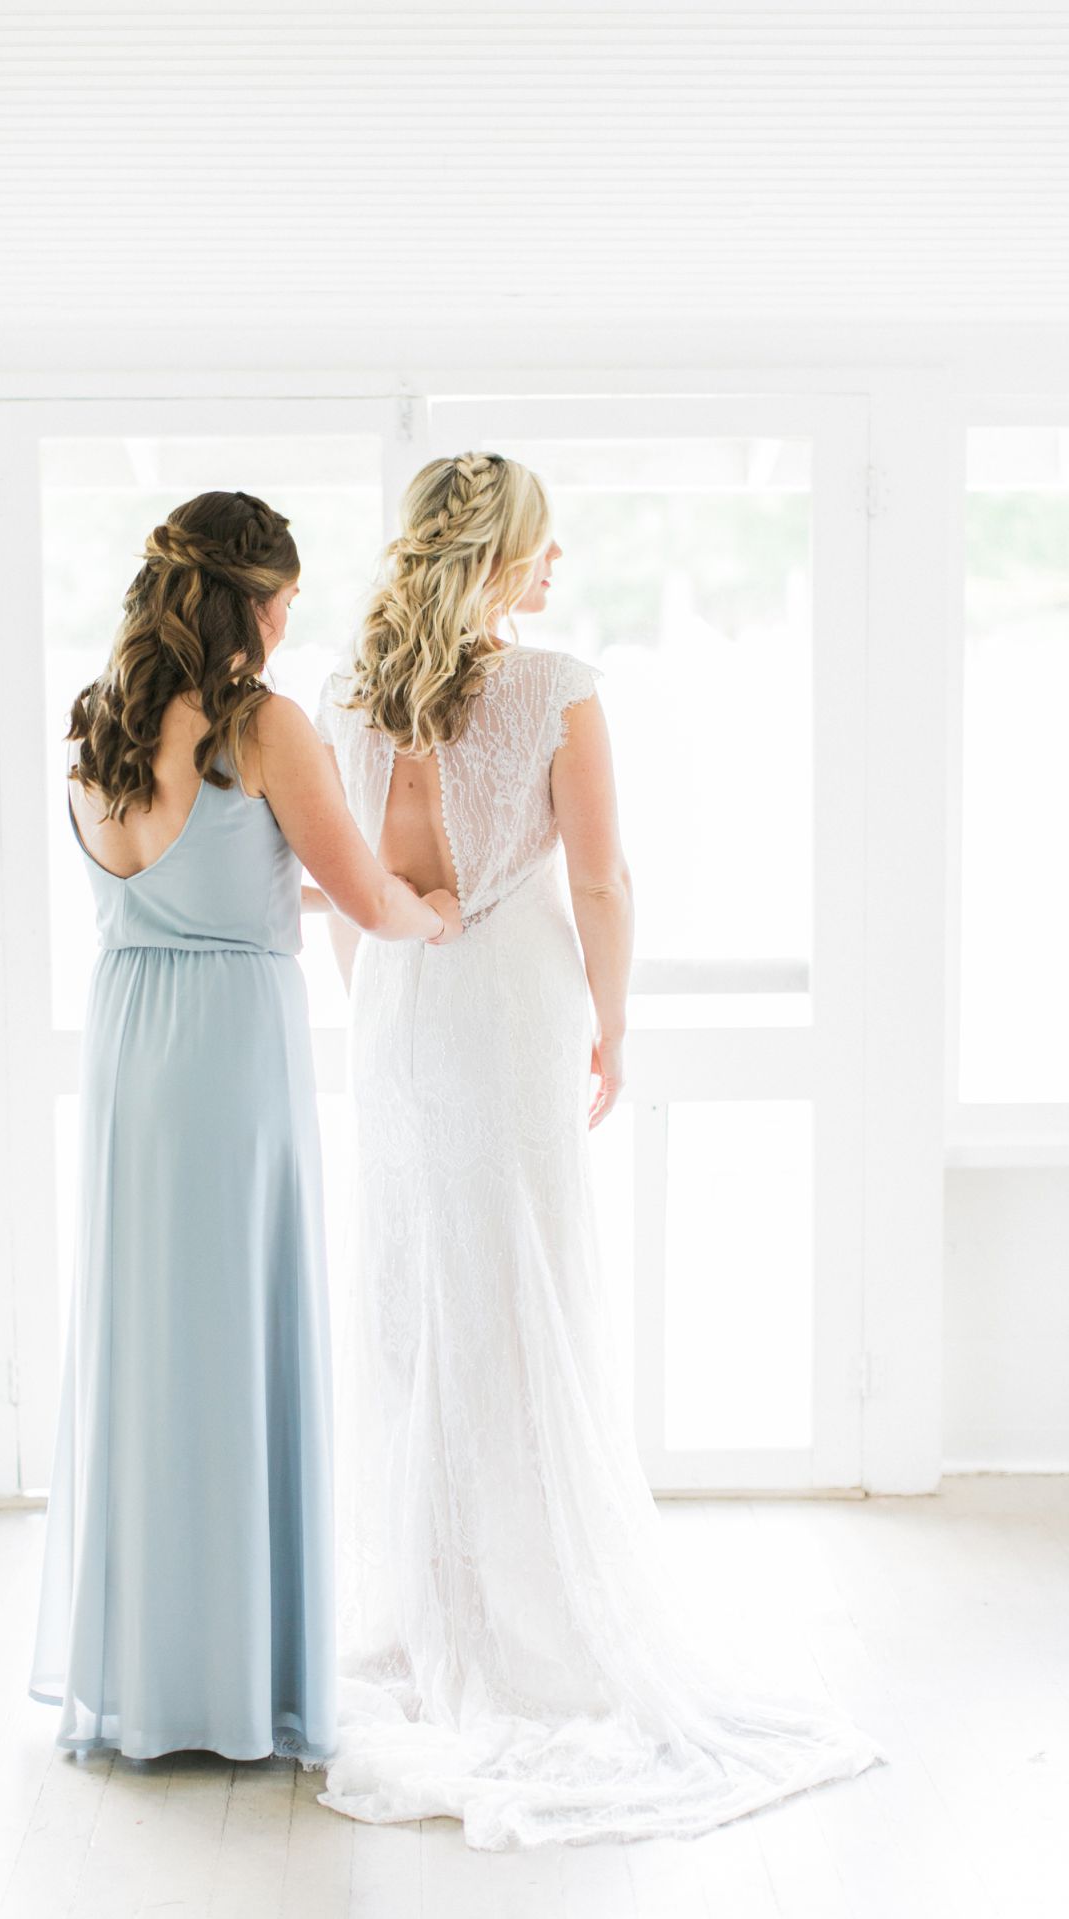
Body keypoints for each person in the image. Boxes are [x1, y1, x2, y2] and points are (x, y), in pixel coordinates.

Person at [312, 452, 886, 1848]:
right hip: (509, 1010)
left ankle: (434, 1610)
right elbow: (601, 876)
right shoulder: (557, 685)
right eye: (543, 545)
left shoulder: (340, 694)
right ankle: (532, 1622)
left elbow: (343, 891)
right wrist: (615, 1024)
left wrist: (374, 1001)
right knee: (523, 1299)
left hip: (393, 1012)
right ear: (499, 555)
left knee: (417, 1307)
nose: (556, 568)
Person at [28, 488, 461, 1764]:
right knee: (235, 1348)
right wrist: (441, 905)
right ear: (255, 600)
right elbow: (367, 897)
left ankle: (149, 1676)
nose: (290, 620)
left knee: (150, 1352)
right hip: (228, 1049)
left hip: (128, 1048)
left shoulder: (96, 721)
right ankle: (239, 1683)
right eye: (287, 596)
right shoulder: (259, 721)